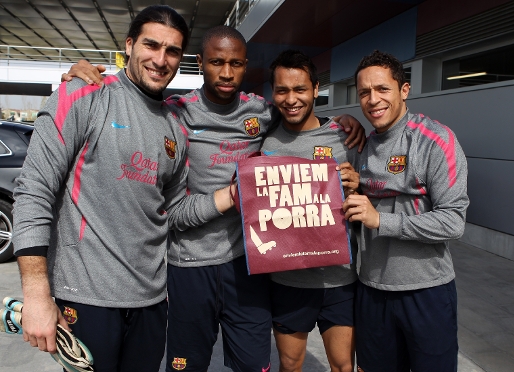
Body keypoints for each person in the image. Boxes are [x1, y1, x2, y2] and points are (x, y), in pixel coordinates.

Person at [63, 26, 366, 372]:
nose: (226, 72)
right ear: (199, 63)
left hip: (247, 263)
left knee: (255, 365)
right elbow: (132, 101)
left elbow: (299, 115)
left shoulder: (262, 112)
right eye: (217, 62)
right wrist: (83, 77)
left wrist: (340, 121)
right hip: (189, 267)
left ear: (245, 66)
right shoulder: (176, 111)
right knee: (186, 365)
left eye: (235, 63)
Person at [13, 6, 191, 372]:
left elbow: (172, 212)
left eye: (172, 51)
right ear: (129, 44)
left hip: (152, 301)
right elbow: (33, 191)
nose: (161, 59)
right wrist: (36, 295)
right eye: (151, 45)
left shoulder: (177, 126)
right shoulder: (83, 95)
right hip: (86, 298)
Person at [342, 50, 469, 372]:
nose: (373, 100)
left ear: (404, 90)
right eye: (364, 92)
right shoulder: (361, 146)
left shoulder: (436, 140)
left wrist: (380, 220)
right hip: (370, 290)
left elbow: (453, 222)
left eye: (382, 89)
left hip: (426, 292)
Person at [261, 49, 359, 372]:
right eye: (282, 90)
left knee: (343, 365)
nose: (291, 99)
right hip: (288, 281)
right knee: (290, 365)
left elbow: (371, 195)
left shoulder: (346, 137)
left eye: (300, 89)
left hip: (340, 279)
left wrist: (357, 185)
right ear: (272, 92)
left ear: (316, 89)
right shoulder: (263, 139)